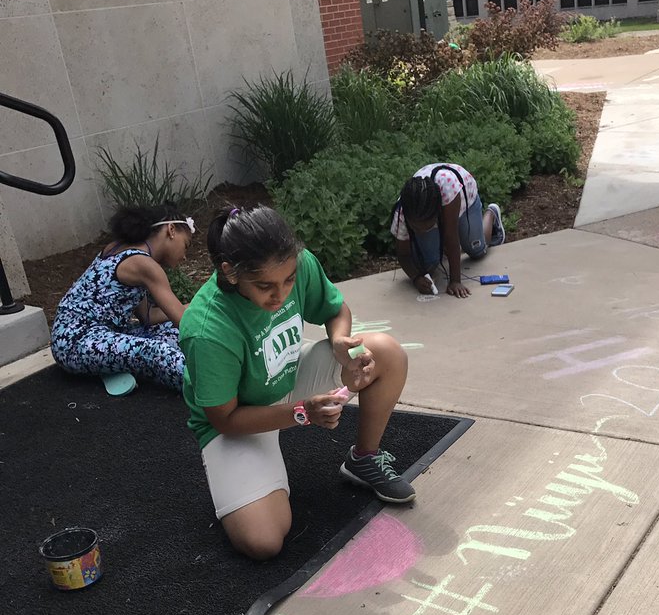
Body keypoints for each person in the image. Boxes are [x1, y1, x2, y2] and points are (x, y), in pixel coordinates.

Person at [178, 205, 414, 560]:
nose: (282, 294)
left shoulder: (295, 262)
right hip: (237, 420)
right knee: (264, 541)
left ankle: (363, 458)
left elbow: (336, 310)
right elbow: (223, 418)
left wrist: (339, 346)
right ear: (229, 273)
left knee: (387, 353)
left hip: (286, 376)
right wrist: (303, 412)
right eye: (265, 287)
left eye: (288, 280)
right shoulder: (208, 328)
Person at [50, 204, 192, 394]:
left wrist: (191, 307)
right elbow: (183, 321)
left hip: (101, 333)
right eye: (186, 245)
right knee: (155, 351)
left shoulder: (123, 250)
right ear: (171, 230)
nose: (184, 255)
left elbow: (148, 316)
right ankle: (213, 390)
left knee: (169, 332)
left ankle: (110, 366)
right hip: (75, 341)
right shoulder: (144, 264)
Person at [391, 162, 505, 299]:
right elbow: (403, 254)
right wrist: (416, 278)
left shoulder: (448, 190)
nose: (421, 231)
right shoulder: (403, 213)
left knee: (477, 251)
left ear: (436, 213)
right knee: (427, 265)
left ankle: (491, 214)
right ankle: (438, 244)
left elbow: (451, 237)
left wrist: (455, 281)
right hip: (434, 209)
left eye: (427, 226)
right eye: (416, 228)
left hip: (463, 196)